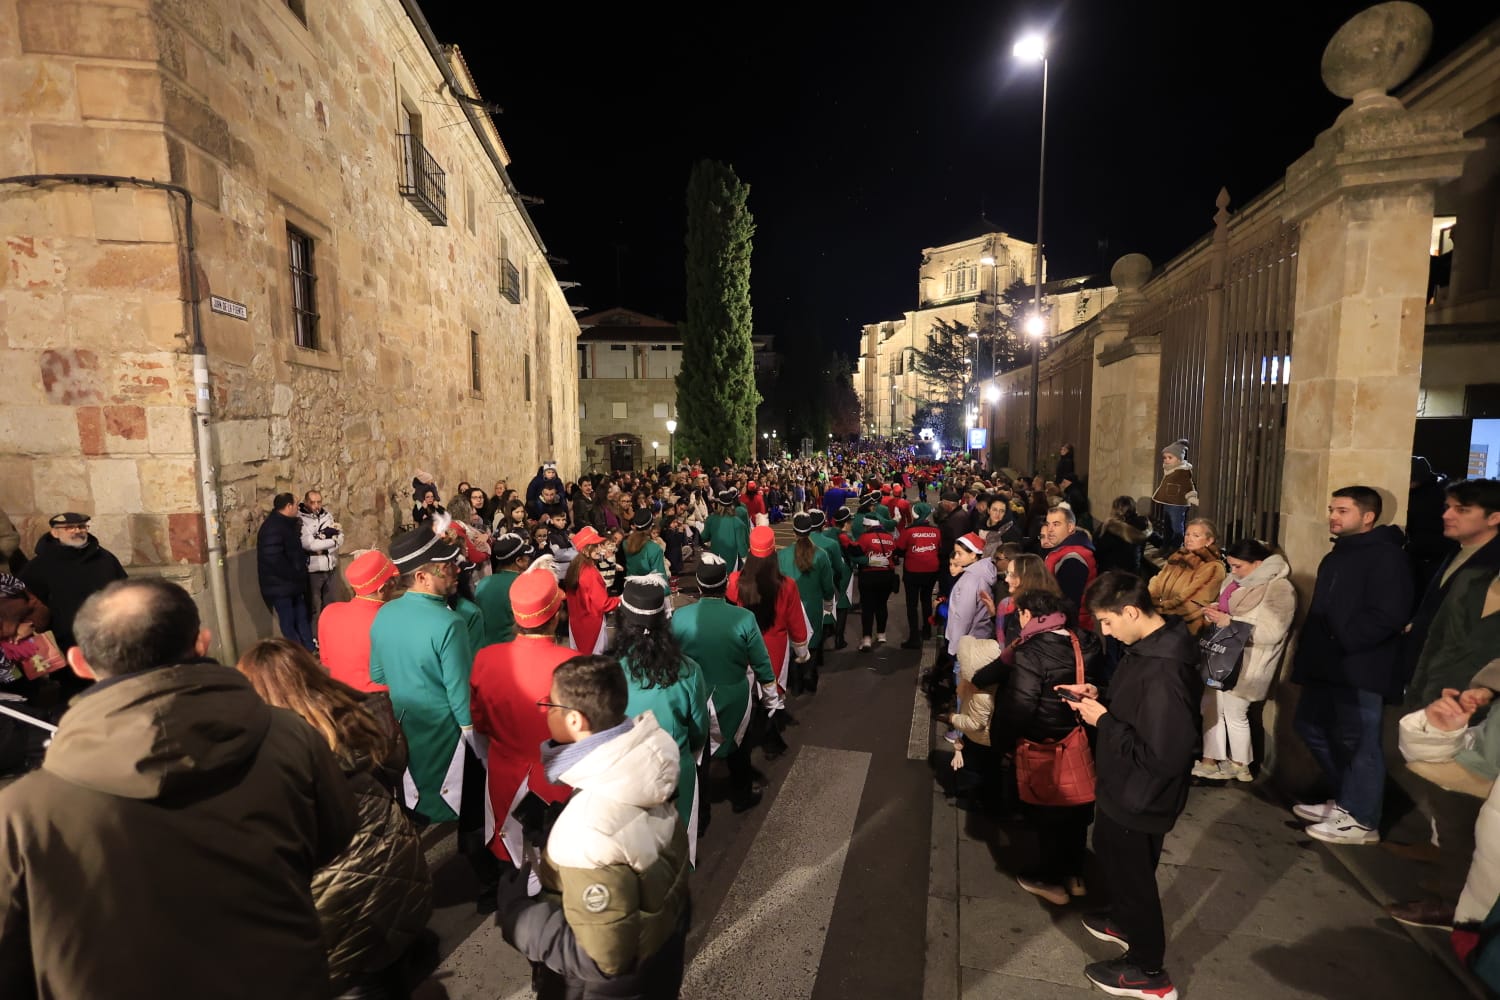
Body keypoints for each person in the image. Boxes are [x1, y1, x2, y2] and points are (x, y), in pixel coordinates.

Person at [0, 578, 357, 998]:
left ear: (79, 663)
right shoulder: (292, 735)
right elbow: (333, 835)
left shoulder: (23, 811)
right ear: (202, 642)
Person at [236, 639, 432, 999]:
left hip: (333, 904)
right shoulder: (360, 716)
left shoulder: (265, 754)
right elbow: (394, 764)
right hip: (400, 873)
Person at [496, 655, 691, 998]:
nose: (546, 712)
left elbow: (602, 959)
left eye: (550, 705)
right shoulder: (644, 763)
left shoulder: (587, 832)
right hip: (659, 959)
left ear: (575, 720)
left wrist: (520, 918)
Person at [1062, 571, 1201, 1000]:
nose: (1105, 631)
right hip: (1126, 787)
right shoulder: (1147, 649)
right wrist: (1099, 693)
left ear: (1131, 611)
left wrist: (1103, 720)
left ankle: (1148, 970)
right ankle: (1123, 919)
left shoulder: (1164, 672)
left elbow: (1165, 754)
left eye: (1107, 621)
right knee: (1119, 865)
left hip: (1140, 796)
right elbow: (1137, 706)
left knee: (1133, 877)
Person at [1290, 485, 1412, 845]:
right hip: (1328, 666)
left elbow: (1389, 613)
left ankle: (1362, 818)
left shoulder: (1386, 557)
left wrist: (1344, 642)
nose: (1333, 516)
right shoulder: (1338, 554)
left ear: (1367, 516)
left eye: (1343, 510)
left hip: (1360, 667)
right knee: (1310, 726)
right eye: (1332, 509)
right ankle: (1347, 800)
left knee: (1359, 741)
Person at [973, 588, 1104, 902]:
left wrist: (1001, 742)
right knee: (1077, 806)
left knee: (1047, 812)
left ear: (1028, 615)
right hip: (1081, 736)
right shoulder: (1085, 641)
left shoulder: (1030, 651)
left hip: (1043, 739)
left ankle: (1050, 880)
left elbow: (1020, 704)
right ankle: (1075, 875)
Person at [368, 522, 481, 836]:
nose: (455, 570)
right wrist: (475, 741)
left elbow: (377, 674)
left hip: (404, 724)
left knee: (415, 804)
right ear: (422, 576)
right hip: (443, 728)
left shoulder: (384, 614)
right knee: (457, 809)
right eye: (446, 567)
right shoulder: (450, 622)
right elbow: (459, 696)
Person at [470, 567, 576, 866]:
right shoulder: (575, 664)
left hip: (505, 778)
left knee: (512, 870)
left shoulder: (486, 659)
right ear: (556, 615)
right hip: (560, 780)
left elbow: (480, 723)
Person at [672, 553, 779, 819]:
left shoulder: (680, 617)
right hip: (734, 695)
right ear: (724, 585)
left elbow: (671, 659)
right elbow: (761, 662)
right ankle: (741, 797)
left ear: (698, 585)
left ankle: (701, 810)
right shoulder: (743, 618)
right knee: (739, 748)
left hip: (692, 695)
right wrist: (771, 697)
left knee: (698, 754)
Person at [611, 575, 709, 846]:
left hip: (624, 774)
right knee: (676, 845)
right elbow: (698, 731)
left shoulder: (606, 670)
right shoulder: (689, 670)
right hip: (675, 768)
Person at [1192, 540, 1295, 782]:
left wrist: (1230, 623)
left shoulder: (1279, 588)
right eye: (1231, 566)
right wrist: (1217, 609)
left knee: (1235, 713)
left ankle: (1240, 765)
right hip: (1222, 656)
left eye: (1238, 566)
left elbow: (1273, 633)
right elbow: (1230, 608)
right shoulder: (1234, 581)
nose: (1233, 571)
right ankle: (1210, 761)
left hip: (1248, 664)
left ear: (1258, 564)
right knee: (1211, 707)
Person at [1404, 479, 1500, 698]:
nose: (1447, 516)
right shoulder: (1456, 549)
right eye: (1448, 508)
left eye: (1462, 510)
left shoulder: (1491, 566)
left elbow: (1480, 641)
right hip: (1430, 675)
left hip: (1463, 689)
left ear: (1494, 517)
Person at [19, 511, 127, 655]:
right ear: (55, 533)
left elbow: (124, 589)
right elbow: (25, 601)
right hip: (64, 642)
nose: (77, 531)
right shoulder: (39, 566)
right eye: (69, 527)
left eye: (82, 527)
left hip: (107, 637)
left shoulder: (105, 559)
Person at [728, 526, 812, 691]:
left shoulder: (735, 581)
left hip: (744, 649)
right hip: (776, 649)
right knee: (773, 697)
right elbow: (796, 623)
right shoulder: (787, 585)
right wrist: (802, 653)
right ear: (774, 552)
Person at [317, 549, 400, 693]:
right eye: (392, 580)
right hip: (381, 702)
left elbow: (326, 661)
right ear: (382, 588)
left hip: (342, 697)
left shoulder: (329, 613)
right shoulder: (391, 623)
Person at [779, 512, 835, 692]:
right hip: (812, 605)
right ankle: (809, 677)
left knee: (793, 642)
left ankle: (795, 682)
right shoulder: (821, 555)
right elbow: (828, 586)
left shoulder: (782, 555)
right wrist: (828, 601)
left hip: (789, 606)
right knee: (813, 640)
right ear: (811, 530)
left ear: (794, 531)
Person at [1147, 518, 1225, 636]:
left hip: (1186, 630)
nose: (1189, 538)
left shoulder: (1213, 568)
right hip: (1162, 621)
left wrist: (1157, 608)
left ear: (1209, 540)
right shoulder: (1177, 557)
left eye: (1196, 535)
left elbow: (1190, 603)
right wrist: (1149, 601)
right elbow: (1157, 581)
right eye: (1187, 534)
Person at [258, 493, 316, 651]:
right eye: (296, 504)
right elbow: (273, 559)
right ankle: (298, 656)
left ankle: (310, 650)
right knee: (289, 622)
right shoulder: (273, 528)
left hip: (293, 584)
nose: (298, 507)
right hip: (282, 586)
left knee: (302, 618)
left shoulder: (288, 524)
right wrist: (294, 574)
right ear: (289, 506)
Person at [563, 526, 621, 655]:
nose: (599, 549)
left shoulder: (575, 567)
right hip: (591, 623)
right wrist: (620, 600)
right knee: (594, 661)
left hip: (576, 623)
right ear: (585, 550)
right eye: (595, 546)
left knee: (579, 659)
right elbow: (603, 604)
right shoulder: (589, 572)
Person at [1041, 504, 1098, 629]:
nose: (1050, 529)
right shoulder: (1065, 551)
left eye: (1056, 524)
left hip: (1070, 628)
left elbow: (1069, 604)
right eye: (1048, 523)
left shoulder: (1072, 558)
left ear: (1070, 527)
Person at [474, 533, 536, 646]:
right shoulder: (523, 584)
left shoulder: (483, 583)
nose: (529, 561)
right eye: (527, 557)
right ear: (519, 561)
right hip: (513, 650)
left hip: (486, 649)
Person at [851, 509, 899, 651]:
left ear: (867, 526)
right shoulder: (890, 538)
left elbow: (856, 555)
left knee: (868, 607)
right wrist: (883, 561)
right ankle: (881, 634)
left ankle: (866, 639)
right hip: (887, 576)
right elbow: (894, 558)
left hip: (869, 576)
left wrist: (872, 561)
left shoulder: (864, 538)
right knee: (882, 605)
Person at [947, 532, 997, 656]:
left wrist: (954, 648)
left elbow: (963, 618)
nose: (956, 557)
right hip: (980, 637)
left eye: (960, 553)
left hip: (967, 643)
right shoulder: (981, 573)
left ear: (973, 554)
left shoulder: (971, 580)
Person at [300, 489, 345, 625]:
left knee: (330, 605)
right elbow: (310, 544)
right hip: (313, 569)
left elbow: (340, 537)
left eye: (319, 502)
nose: (316, 506)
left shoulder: (327, 516)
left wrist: (326, 542)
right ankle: (315, 637)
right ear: (306, 502)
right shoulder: (300, 519)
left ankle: (330, 632)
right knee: (314, 607)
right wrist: (331, 541)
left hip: (330, 566)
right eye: (313, 502)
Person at [1152, 439, 1198, 550]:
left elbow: (1188, 485)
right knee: (1167, 525)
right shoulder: (1171, 470)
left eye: (1170, 457)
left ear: (1178, 458)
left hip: (1178, 503)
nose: (1166, 460)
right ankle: (1166, 546)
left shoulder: (1183, 471)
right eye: (1165, 457)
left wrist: (1191, 497)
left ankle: (1175, 548)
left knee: (1176, 526)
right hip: (1169, 502)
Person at [1094, 496, 1152, 575]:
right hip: (1132, 576)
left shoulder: (1107, 526)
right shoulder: (1143, 525)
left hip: (1109, 575)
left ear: (1114, 510)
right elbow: (1159, 541)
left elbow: (1096, 551)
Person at [704, 487, 751, 571]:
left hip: (714, 559)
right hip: (731, 560)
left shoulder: (711, 519)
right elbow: (742, 546)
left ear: (719, 504)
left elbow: (704, 537)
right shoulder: (738, 523)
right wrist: (746, 560)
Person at [623, 507, 668, 578]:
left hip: (630, 585)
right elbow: (660, 576)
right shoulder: (654, 548)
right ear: (650, 526)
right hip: (649, 586)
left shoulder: (625, 543)